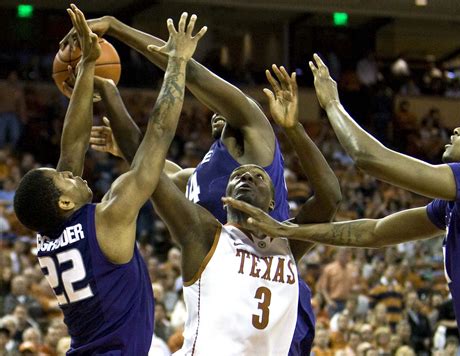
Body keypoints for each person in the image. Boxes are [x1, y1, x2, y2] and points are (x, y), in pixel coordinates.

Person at [72, 14, 341, 352]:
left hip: (269, 283)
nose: (212, 106)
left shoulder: (255, 134)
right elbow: (151, 168)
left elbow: (189, 72)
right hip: (221, 280)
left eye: (218, 101)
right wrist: (124, 142)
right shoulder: (198, 174)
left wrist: (117, 28)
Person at [222, 52, 460, 355]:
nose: (458, 129)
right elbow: (374, 232)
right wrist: (288, 231)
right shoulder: (453, 205)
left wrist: (331, 104)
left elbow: (369, 159)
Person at [13, 7, 206, 354]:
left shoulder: (49, 234)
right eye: (64, 178)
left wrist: (88, 63)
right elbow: (158, 136)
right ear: (64, 202)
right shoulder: (110, 216)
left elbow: (72, 145)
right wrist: (177, 62)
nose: (71, 172)